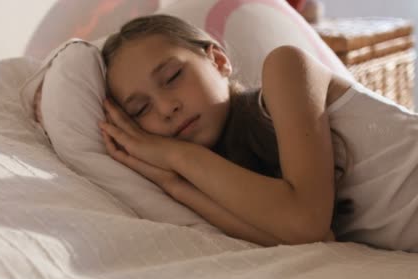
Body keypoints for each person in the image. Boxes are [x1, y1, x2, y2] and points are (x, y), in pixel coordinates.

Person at [97, 14, 418, 252]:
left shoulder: (286, 69)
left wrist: (177, 155)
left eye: (172, 76)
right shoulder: (228, 179)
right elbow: (318, 241)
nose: (166, 108)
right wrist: (173, 184)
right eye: (140, 110)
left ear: (218, 60)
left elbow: (306, 222)